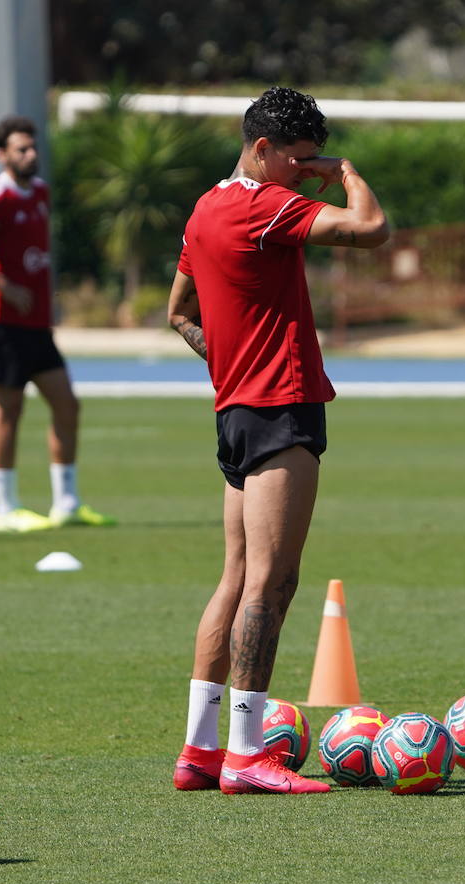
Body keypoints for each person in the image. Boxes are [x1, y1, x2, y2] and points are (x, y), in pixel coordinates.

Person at [166, 87, 389, 794]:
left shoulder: (206, 208)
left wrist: (226, 358)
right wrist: (345, 173)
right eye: (297, 159)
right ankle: (245, 755)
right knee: (273, 582)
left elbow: (178, 312)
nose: (305, 171)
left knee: (235, 578)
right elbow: (371, 228)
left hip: (236, 412)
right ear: (262, 149)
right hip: (280, 408)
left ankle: (201, 751)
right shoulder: (265, 205)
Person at [0, 115, 114, 533]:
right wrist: (3, 286)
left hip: (35, 323)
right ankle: (6, 509)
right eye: (21, 149)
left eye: (33, 147)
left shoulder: (39, 192)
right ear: (2, 155)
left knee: (66, 404)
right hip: (2, 322)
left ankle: (66, 504)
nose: (31, 154)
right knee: (8, 410)